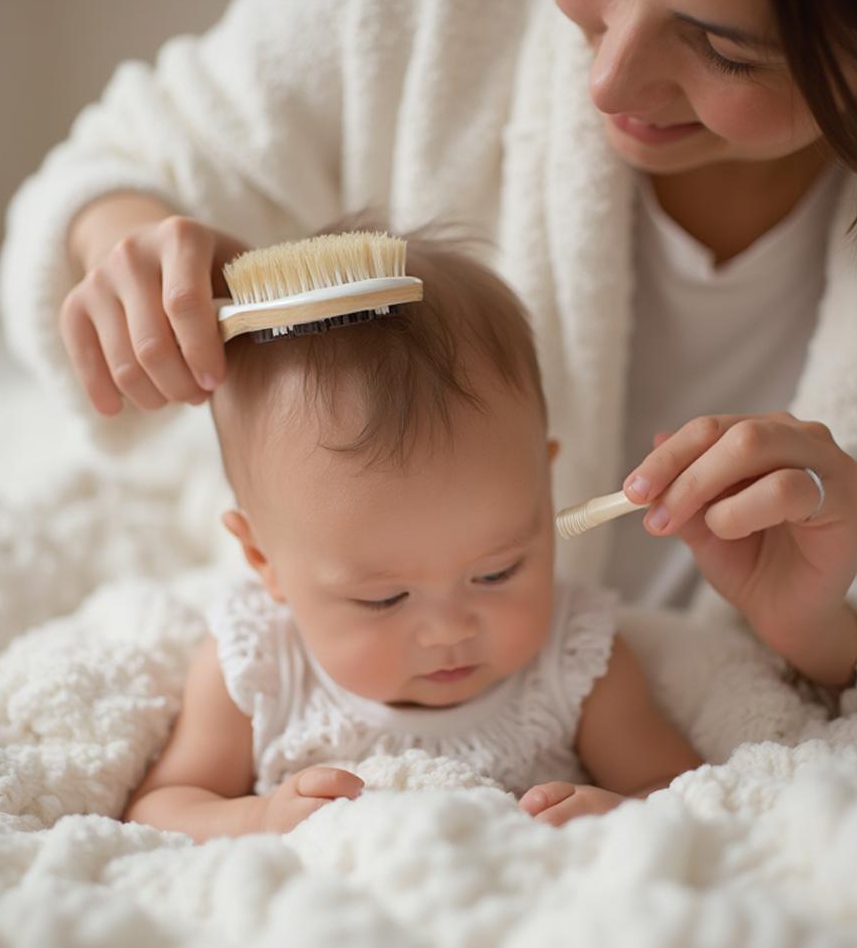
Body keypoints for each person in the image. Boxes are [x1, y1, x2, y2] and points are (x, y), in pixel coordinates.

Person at [0, 0, 857, 720]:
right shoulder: (421, 13)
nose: (607, 80)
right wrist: (122, 241)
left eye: (725, 47)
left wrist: (827, 630)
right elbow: (104, 169)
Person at [121, 237, 702, 838]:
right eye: (383, 598)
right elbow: (162, 808)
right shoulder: (260, 667)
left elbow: (681, 790)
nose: (449, 629)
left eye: (497, 572)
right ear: (262, 560)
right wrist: (261, 817)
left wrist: (610, 813)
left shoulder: (578, 661)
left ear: (545, 490)